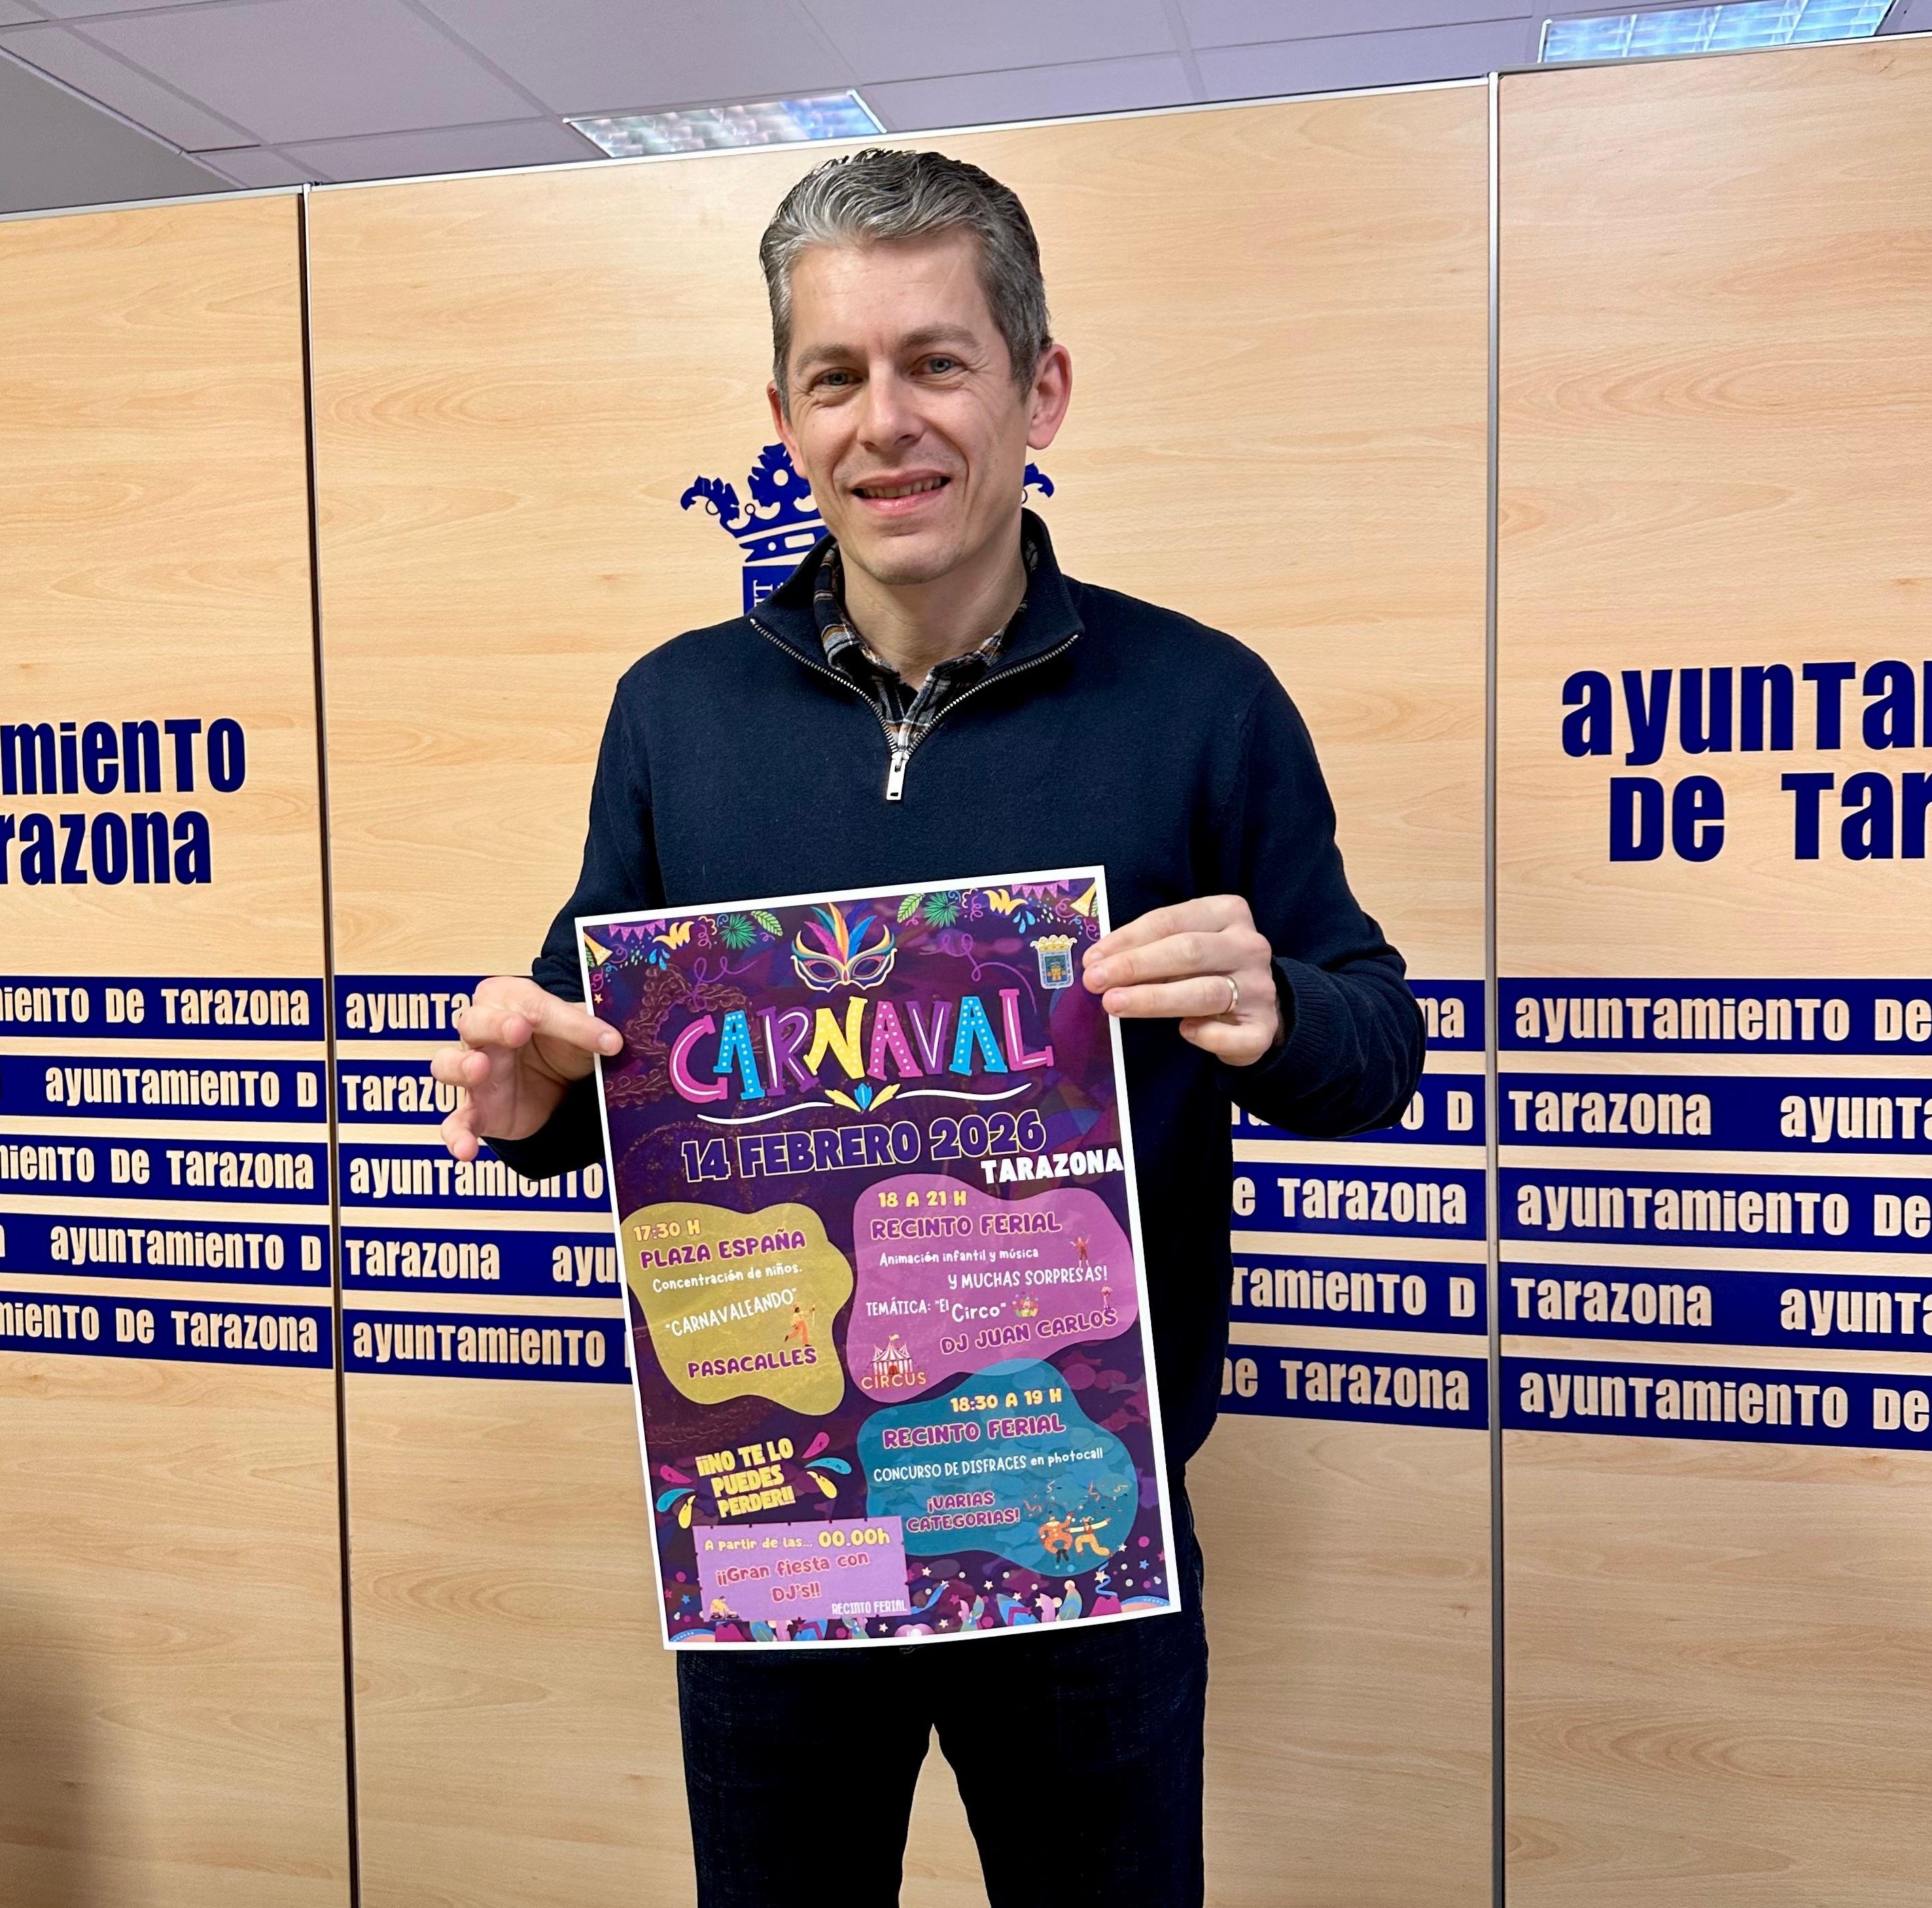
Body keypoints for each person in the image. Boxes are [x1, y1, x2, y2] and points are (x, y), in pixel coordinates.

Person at [430, 146, 1423, 1908]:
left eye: (936, 362)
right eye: (836, 376)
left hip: (1079, 1529)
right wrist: (528, 1106)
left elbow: (1381, 1048)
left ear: (1041, 389)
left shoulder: (1202, 704)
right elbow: (597, 1064)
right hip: (782, 1528)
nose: (885, 422)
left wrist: (1281, 1013)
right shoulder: (674, 714)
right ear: (784, 417)